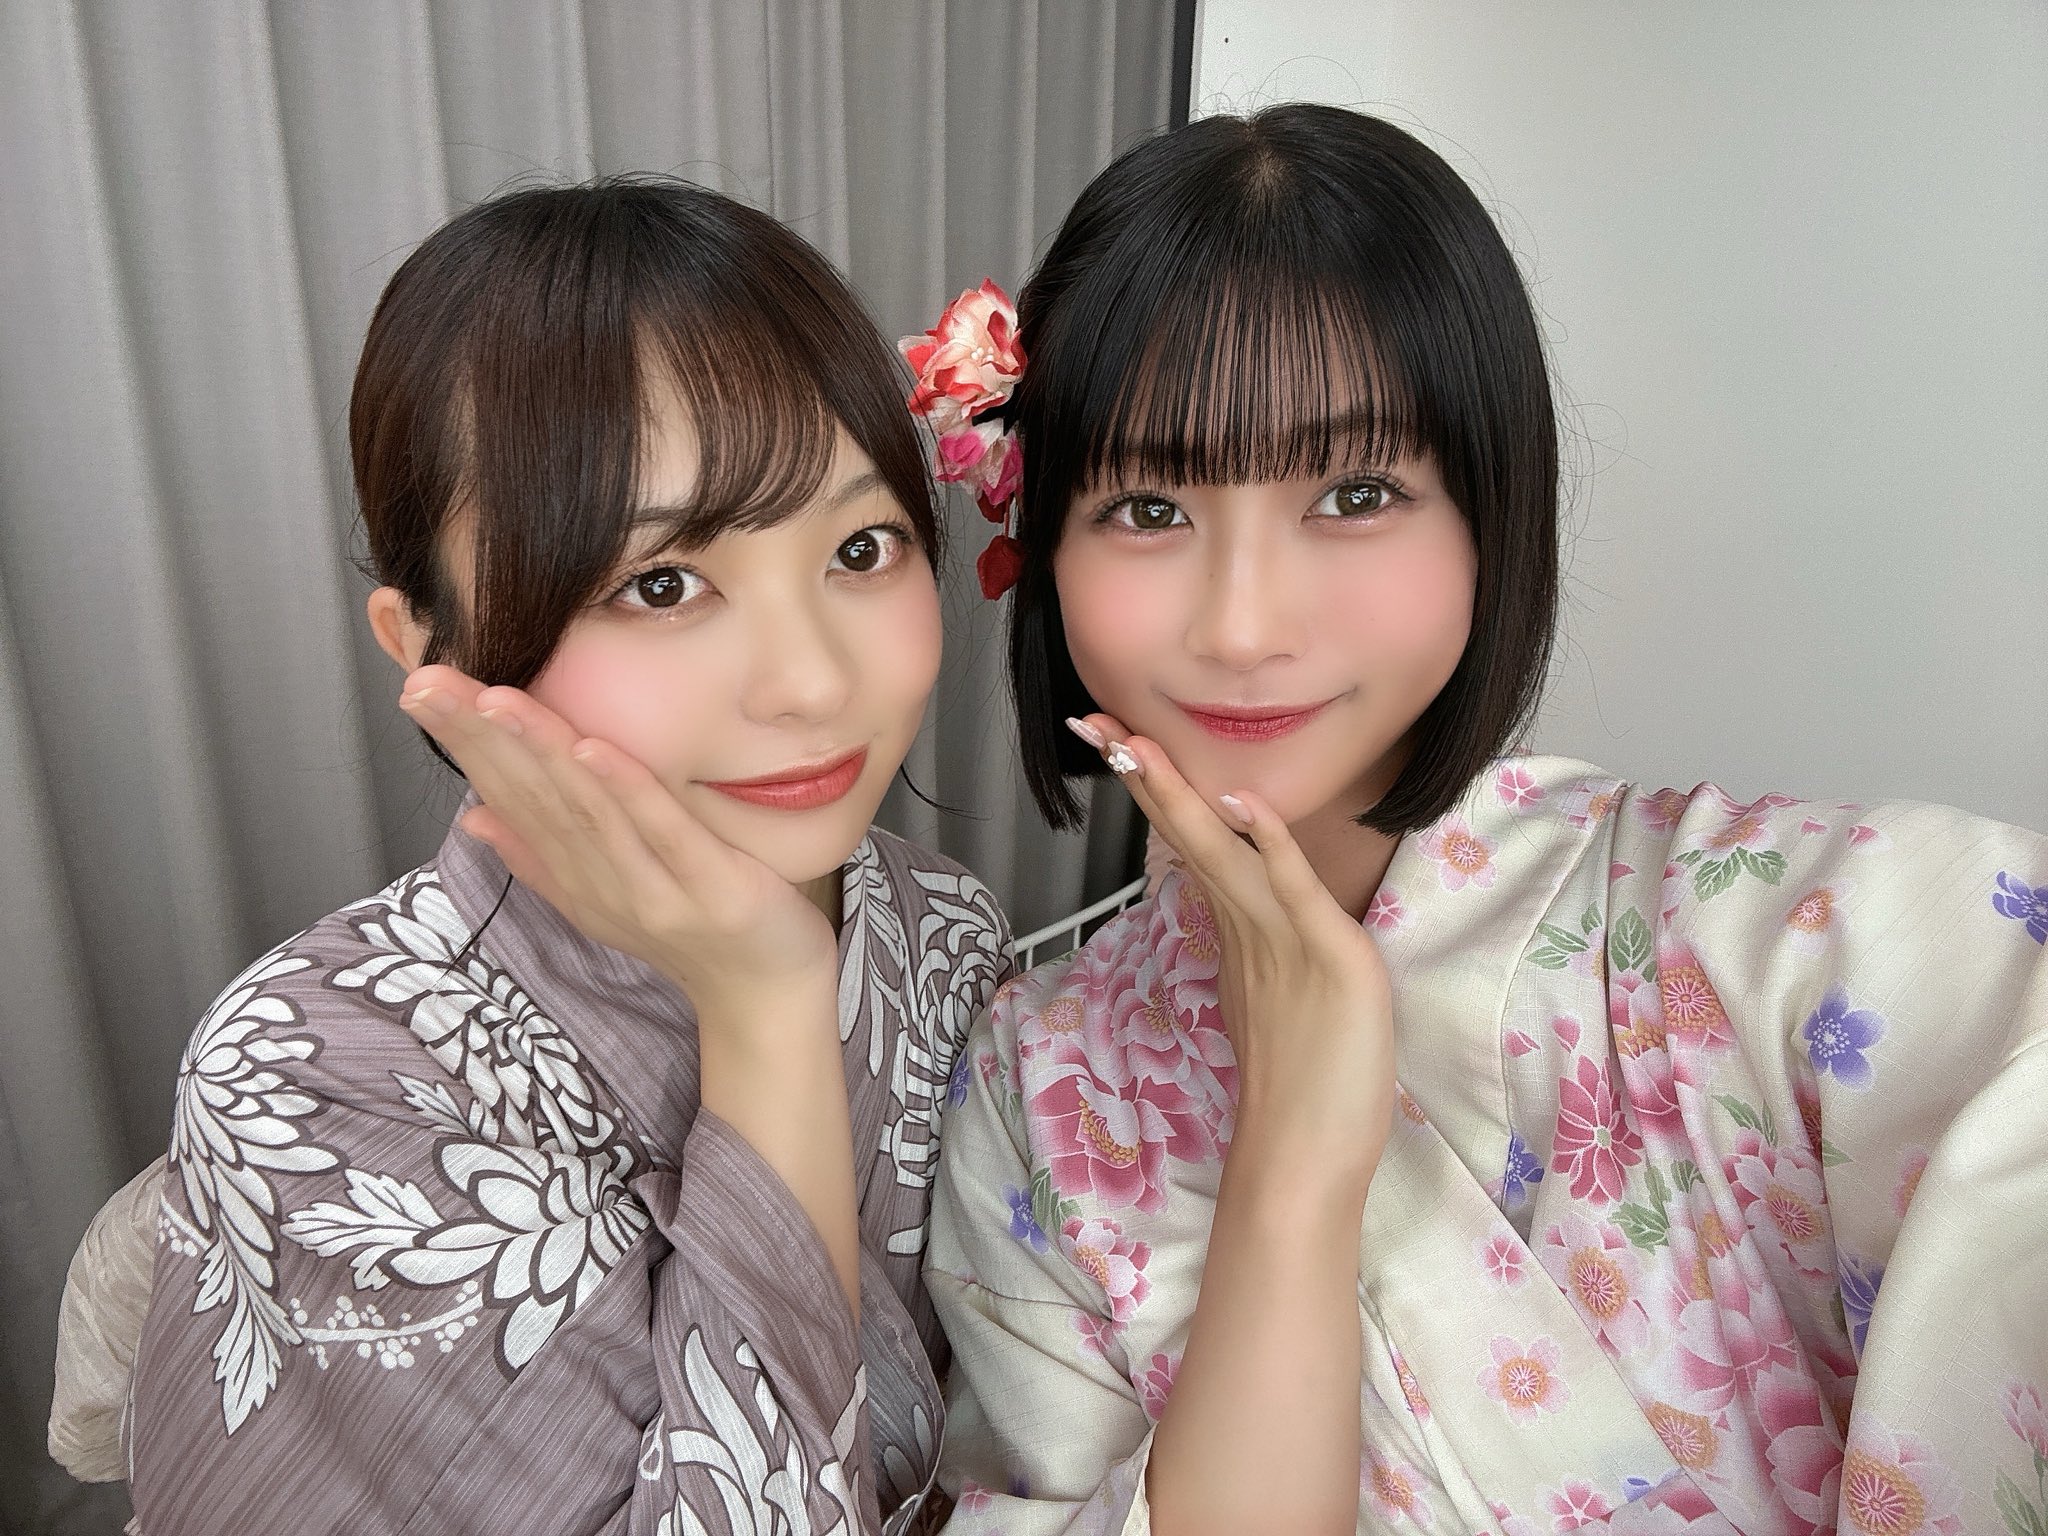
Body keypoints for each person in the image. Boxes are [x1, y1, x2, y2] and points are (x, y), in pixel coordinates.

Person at [922, 105, 2048, 1535]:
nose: (1244, 626)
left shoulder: (1745, 929)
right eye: (1147, 508)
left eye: (1355, 493)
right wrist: (1292, 1169)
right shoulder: (1037, 1085)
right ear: (1045, 548)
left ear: (1489, 519)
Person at [110, 177, 1011, 1534]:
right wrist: (766, 1010)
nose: (815, 682)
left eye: (862, 546)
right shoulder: (311, 1074)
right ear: (429, 648)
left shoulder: (945, 928)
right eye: (662, 584)